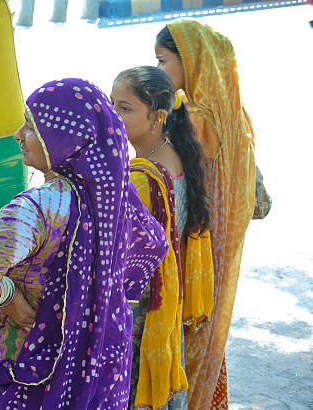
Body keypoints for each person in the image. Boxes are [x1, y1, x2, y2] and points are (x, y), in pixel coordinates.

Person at [0, 78, 169, 409]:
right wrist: (92, 305)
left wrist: (11, 298)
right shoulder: (119, 199)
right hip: (95, 369)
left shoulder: (37, 208)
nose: (17, 135)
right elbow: (153, 243)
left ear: (65, 139)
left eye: (31, 126)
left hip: (26, 369)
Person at [155, 21, 256, 409]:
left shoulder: (189, 118)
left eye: (163, 61)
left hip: (189, 250)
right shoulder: (236, 115)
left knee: (186, 334)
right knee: (205, 333)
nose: (159, 70)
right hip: (217, 251)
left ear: (193, 62)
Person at [111, 66, 214, 410]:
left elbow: (120, 255)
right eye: (112, 106)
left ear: (157, 117)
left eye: (124, 108)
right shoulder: (174, 155)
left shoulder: (143, 178)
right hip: (164, 309)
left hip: (140, 317)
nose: (114, 116)